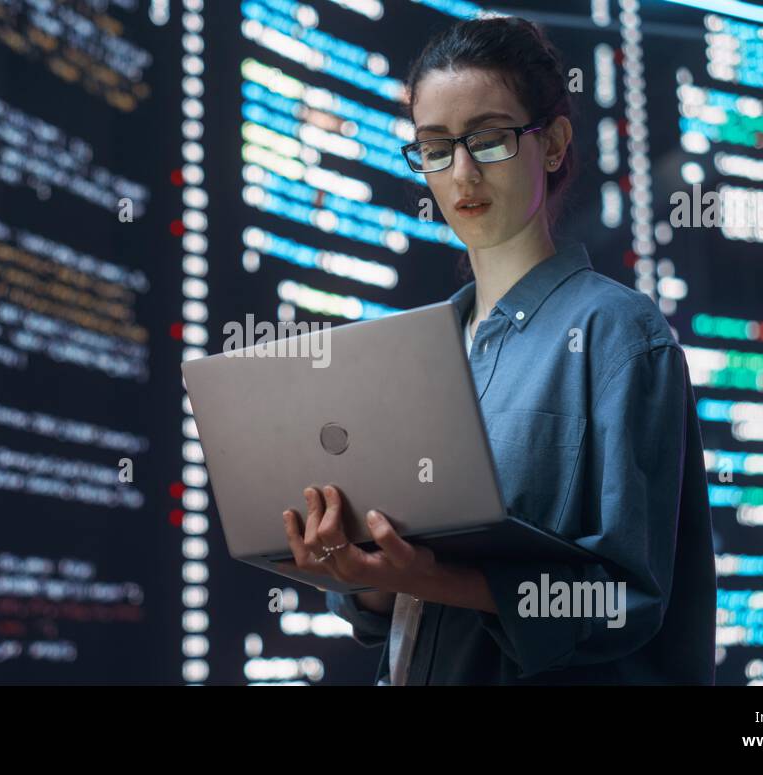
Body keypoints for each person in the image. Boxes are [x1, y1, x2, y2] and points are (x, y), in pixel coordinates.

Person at [276, 16, 716, 685]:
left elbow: (629, 600)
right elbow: (388, 613)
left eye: (488, 139)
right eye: (435, 146)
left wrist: (444, 577)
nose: (462, 173)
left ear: (553, 144)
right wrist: (361, 572)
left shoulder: (620, 335)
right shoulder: (414, 356)